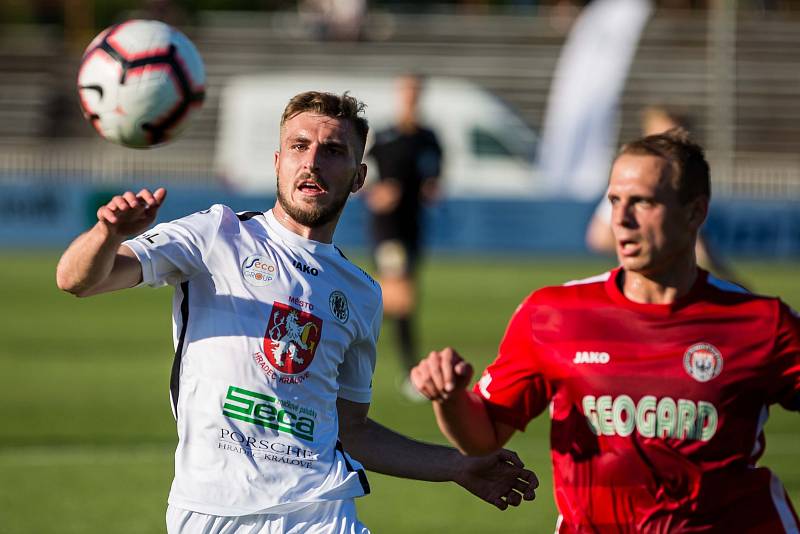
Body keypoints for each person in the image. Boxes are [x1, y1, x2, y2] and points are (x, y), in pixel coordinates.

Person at [56, 91, 538, 533]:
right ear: (277, 162)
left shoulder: (362, 293)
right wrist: (108, 234)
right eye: (299, 146)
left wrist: (456, 465)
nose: (312, 162)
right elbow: (78, 280)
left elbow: (353, 430)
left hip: (322, 510)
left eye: (332, 151)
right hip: (212, 512)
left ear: (359, 176)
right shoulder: (217, 235)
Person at [411, 128, 800, 532]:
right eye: (614, 200)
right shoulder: (554, 314)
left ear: (695, 211)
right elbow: (483, 437)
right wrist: (450, 397)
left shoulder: (760, 322)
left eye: (643, 202)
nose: (621, 218)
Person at [585, 105, 738, 282]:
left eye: (675, 136)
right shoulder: (634, 184)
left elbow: (700, 247)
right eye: (661, 135)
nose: (667, 142)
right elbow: (598, 238)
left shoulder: (684, 181)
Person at [365, 74, 443, 399]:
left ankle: (347, 326)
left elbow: (435, 175)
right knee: (402, 297)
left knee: (397, 298)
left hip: (413, 227)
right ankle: (412, 373)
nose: (410, 97)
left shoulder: (428, 138)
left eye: (416, 91)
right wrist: (375, 192)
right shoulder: (384, 135)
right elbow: (361, 175)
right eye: (406, 90)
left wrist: (431, 188)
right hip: (388, 229)